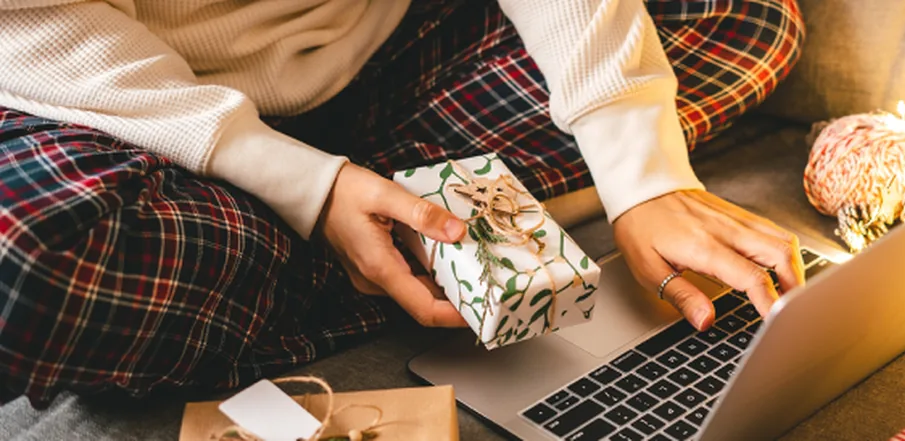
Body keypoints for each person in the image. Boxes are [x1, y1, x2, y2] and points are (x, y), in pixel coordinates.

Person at [0, 0, 805, 408]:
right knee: (30, 265)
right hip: (118, 98)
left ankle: (389, 236)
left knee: (746, 12)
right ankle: (413, 240)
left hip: (387, 53)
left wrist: (644, 170)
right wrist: (309, 188)